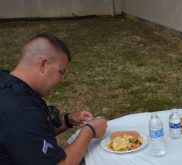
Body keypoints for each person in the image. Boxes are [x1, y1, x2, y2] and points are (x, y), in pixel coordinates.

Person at [0, 32, 107, 165]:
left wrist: (67, 120)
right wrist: (90, 130)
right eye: (61, 72)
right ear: (43, 64)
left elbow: (31, 136)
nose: (61, 80)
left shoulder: (6, 83)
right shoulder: (21, 112)